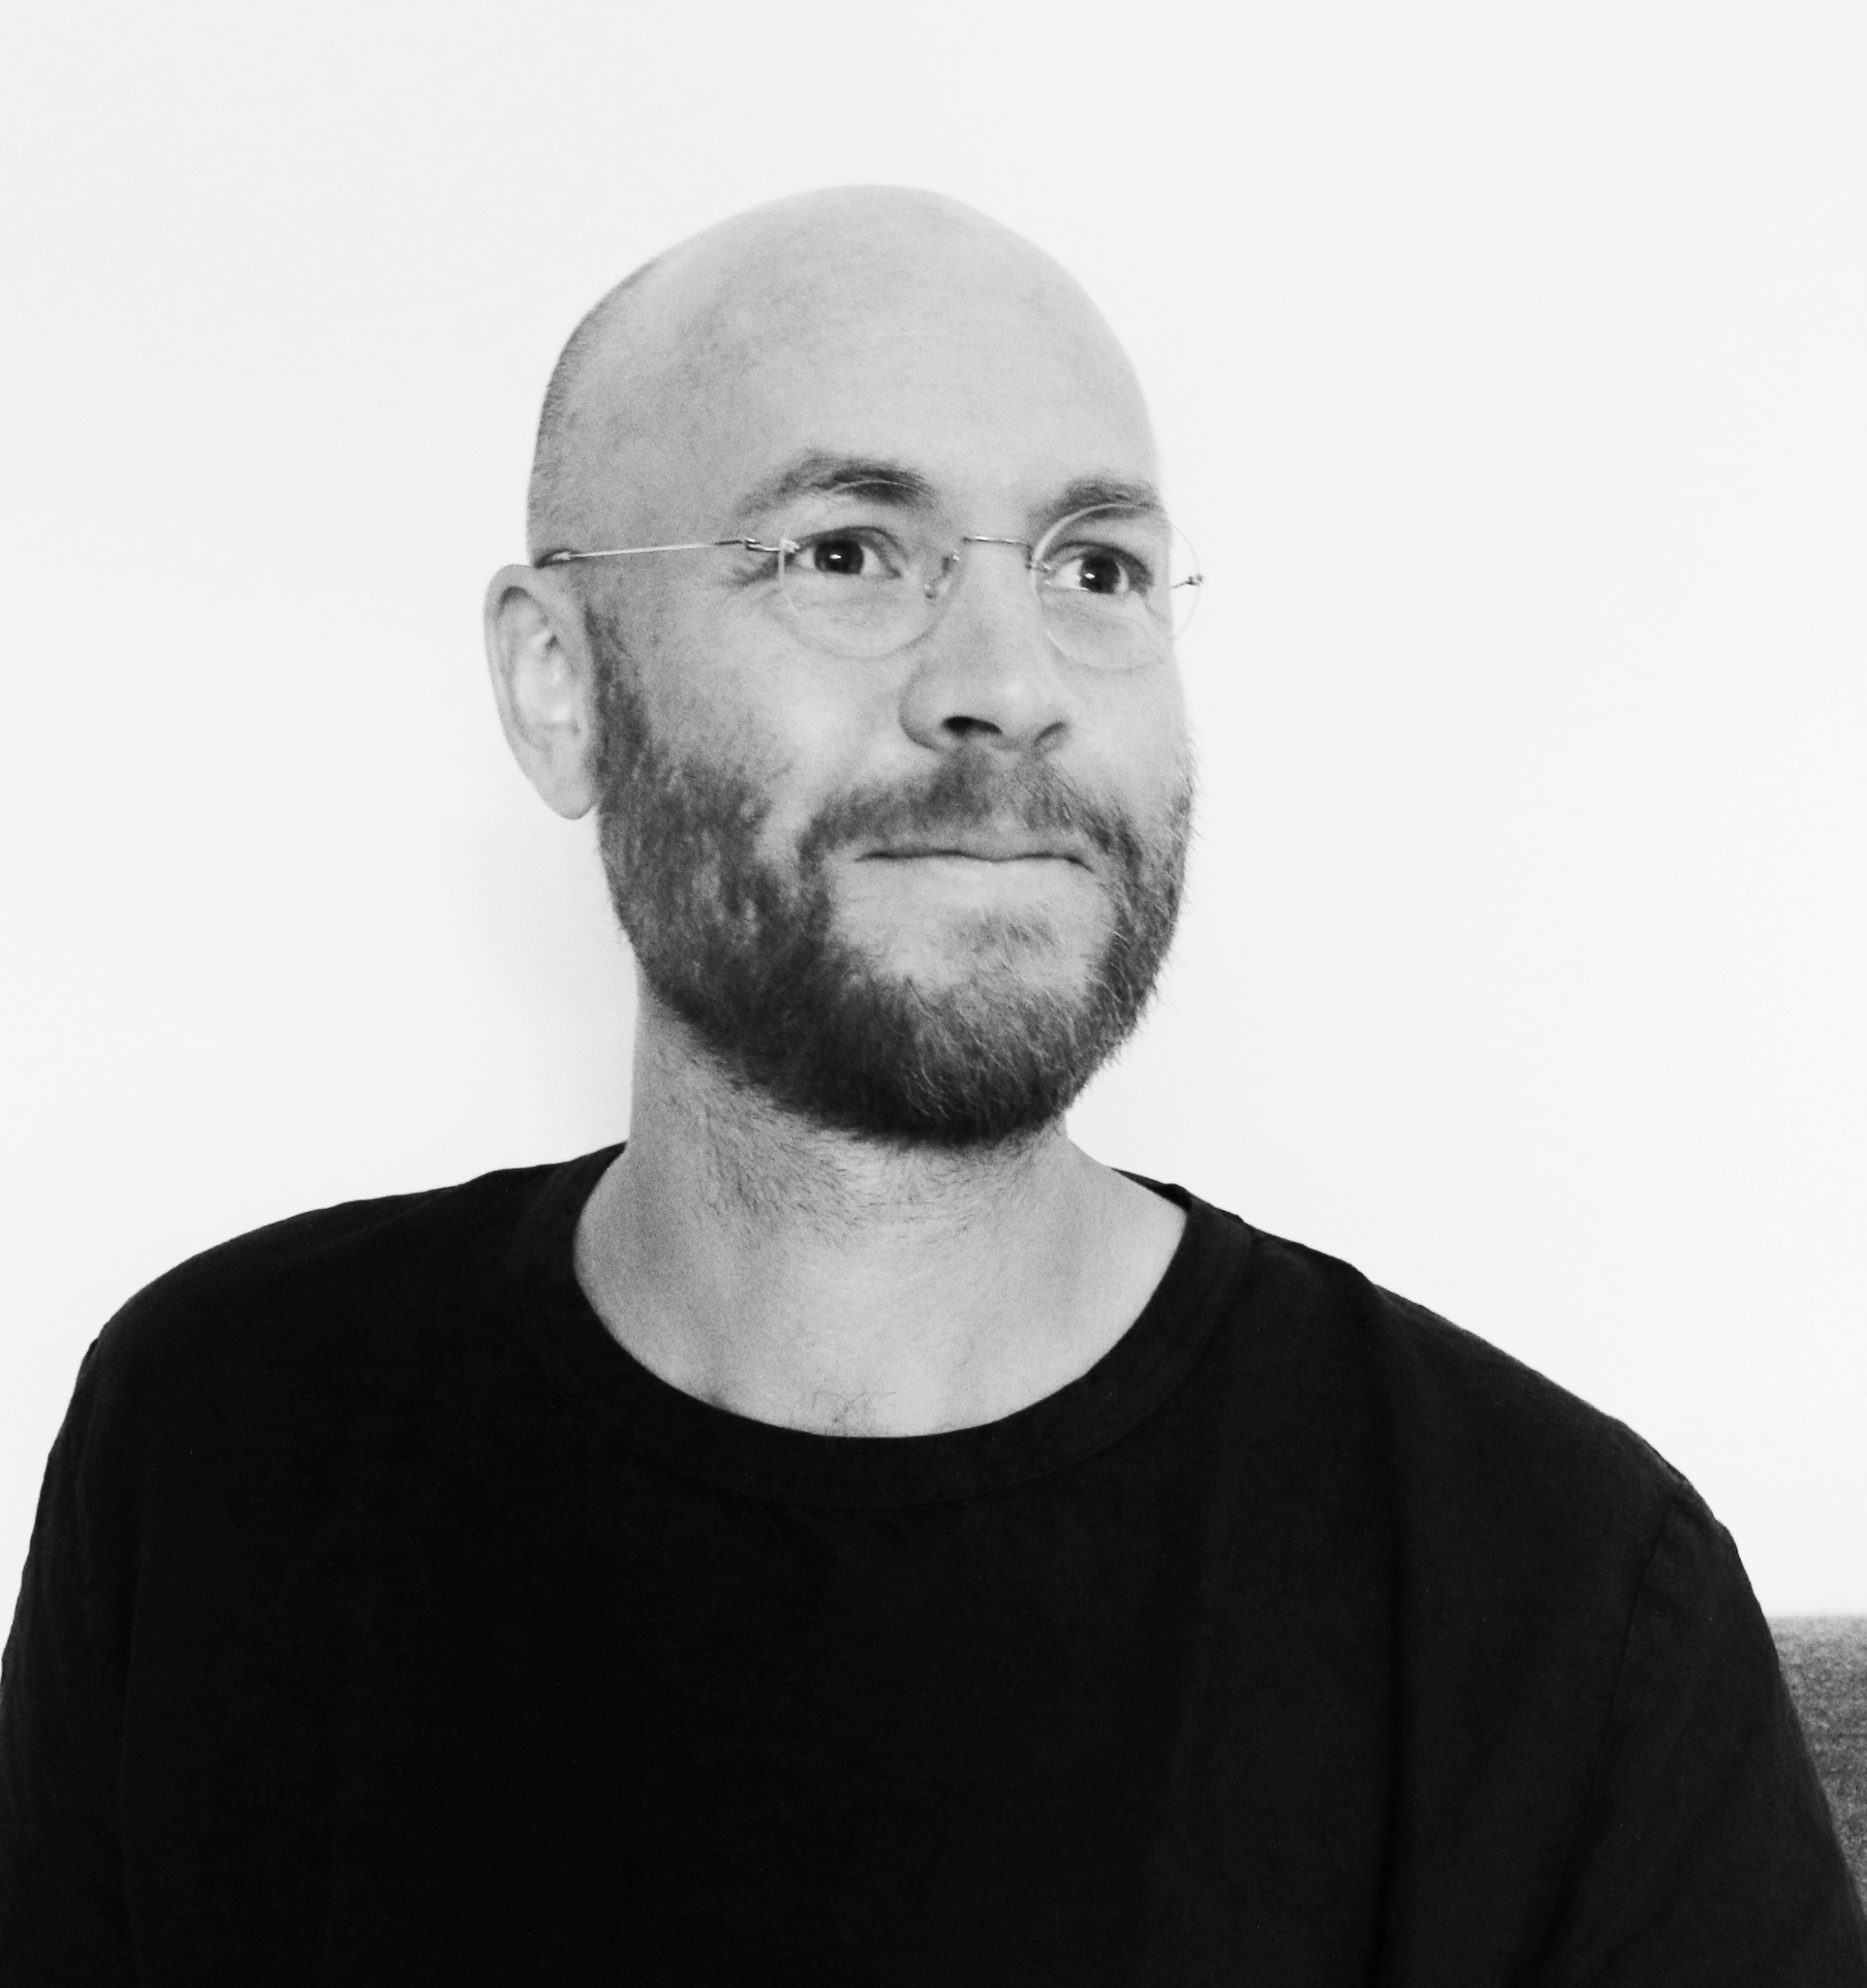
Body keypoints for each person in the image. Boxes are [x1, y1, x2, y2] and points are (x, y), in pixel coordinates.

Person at [0, 186, 1859, 1984]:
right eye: (844, 550)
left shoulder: (1562, 1604)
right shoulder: (213, 1434)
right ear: (561, 682)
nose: (1006, 681)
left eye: (1093, 568)